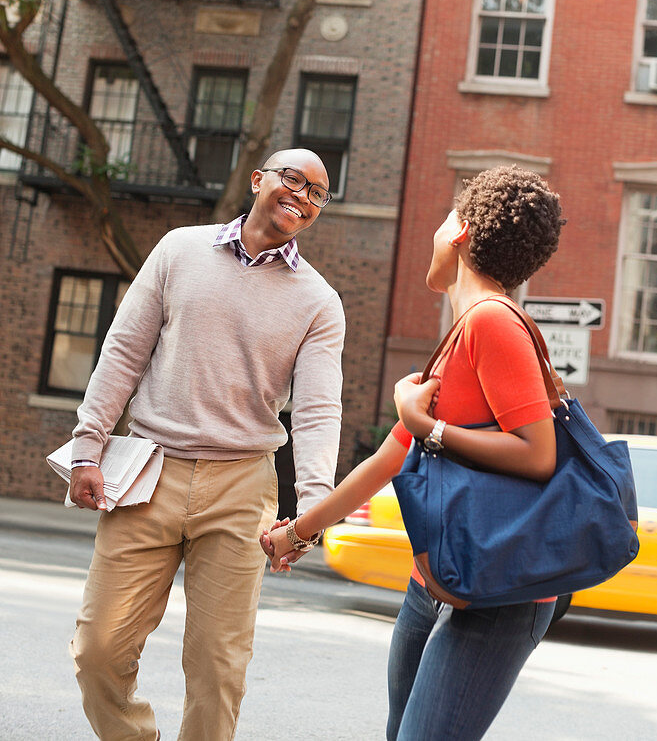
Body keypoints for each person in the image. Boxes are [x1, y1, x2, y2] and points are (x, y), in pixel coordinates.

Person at [261, 164, 565, 741]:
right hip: (439, 580)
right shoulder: (464, 332)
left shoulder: (493, 323)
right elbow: (386, 461)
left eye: (445, 217)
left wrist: (426, 424)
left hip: (498, 591)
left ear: (462, 232)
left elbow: (537, 453)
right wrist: (297, 533)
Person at [67, 148, 345, 741]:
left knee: (219, 667)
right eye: (292, 179)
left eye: (317, 193)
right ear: (258, 180)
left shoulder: (319, 301)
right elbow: (123, 351)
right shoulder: (178, 250)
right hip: (147, 472)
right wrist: (88, 447)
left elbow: (319, 411)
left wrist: (313, 508)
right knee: (97, 650)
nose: (302, 195)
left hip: (242, 486)